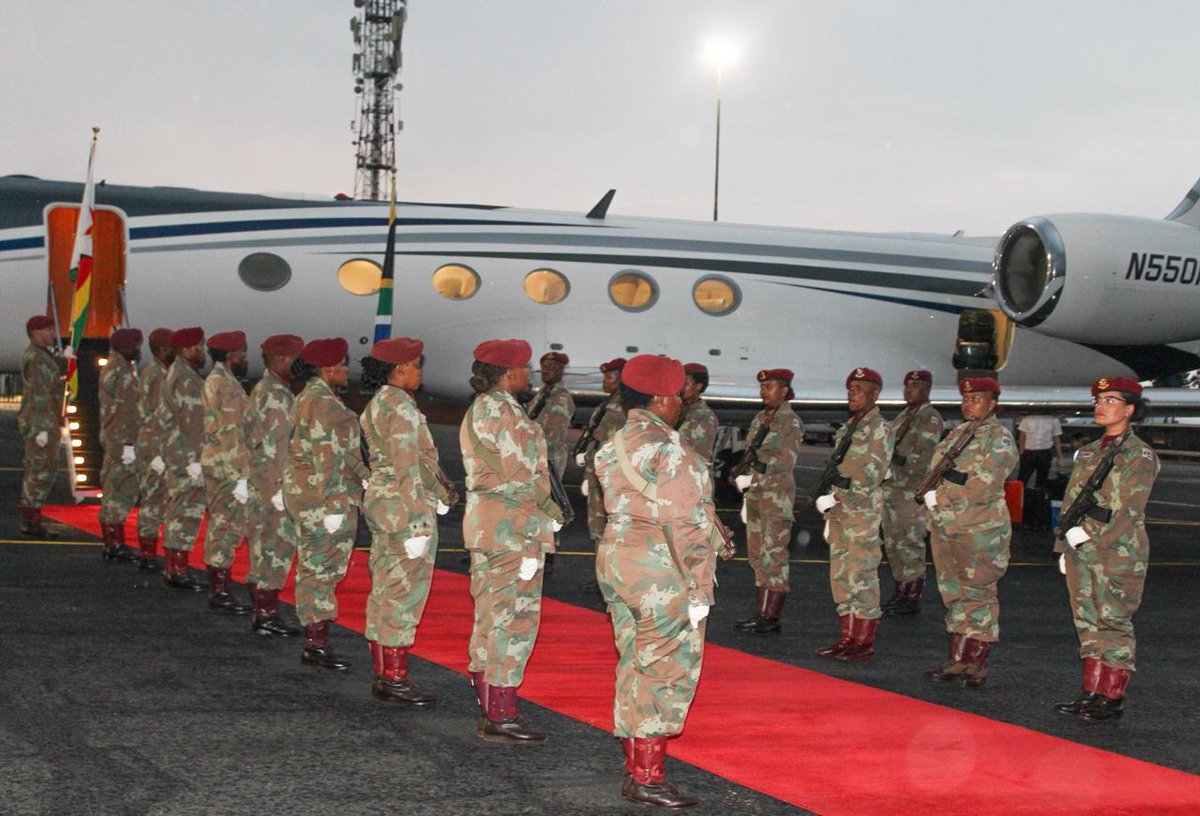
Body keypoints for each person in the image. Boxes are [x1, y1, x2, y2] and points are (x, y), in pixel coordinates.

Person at [594, 354, 715, 809]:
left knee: (634, 661)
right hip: (660, 569)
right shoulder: (672, 449)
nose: (681, 404)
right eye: (678, 396)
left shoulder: (614, 443)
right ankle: (648, 778)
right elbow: (685, 523)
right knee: (664, 669)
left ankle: (635, 769)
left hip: (617, 560)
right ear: (663, 398)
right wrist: (700, 587)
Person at [460, 338, 561, 744]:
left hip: (489, 525)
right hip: (512, 528)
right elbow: (522, 477)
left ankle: (490, 706)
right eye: (524, 368)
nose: (529, 374)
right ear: (508, 373)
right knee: (513, 620)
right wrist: (543, 523)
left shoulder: (481, 408)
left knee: (489, 615)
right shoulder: (505, 412)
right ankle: (501, 713)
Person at [1053, 377, 1158, 722]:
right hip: (1081, 548)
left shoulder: (1138, 455)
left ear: (1129, 409)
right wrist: (1065, 545)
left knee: (1112, 622)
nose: (1101, 405)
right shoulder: (1091, 451)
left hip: (1116, 551)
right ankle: (1091, 691)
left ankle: (1112, 697)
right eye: (1099, 399)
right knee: (1087, 621)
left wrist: (1089, 535)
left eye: (1111, 400)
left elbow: (1127, 509)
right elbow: (1072, 502)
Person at [361, 336, 447, 706]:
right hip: (403, 508)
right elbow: (406, 465)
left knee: (385, 587)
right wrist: (417, 523)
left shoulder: (379, 402)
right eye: (415, 365)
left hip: (385, 503)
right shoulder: (400, 407)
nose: (419, 372)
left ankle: (384, 672)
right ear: (400, 369)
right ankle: (394, 677)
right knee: (403, 592)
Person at [922, 377, 1018, 688]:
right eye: (966, 398)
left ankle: (976, 663)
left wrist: (942, 498)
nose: (969, 403)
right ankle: (956, 659)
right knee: (953, 593)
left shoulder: (999, 439)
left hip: (979, 530)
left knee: (978, 593)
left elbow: (983, 483)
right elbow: (937, 471)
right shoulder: (958, 434)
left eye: (977, 398)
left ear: (993, 404)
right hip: (946, 526)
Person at [284, 337, 369, 670]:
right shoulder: (325, 406)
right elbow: (328, 461)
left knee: (314, 570)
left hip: (310, 499)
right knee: (320, 572)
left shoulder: (310, 398)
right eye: (343, 365)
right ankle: (315, 644)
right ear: (327, 368)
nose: (347, 370)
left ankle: (314, 639)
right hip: (324, 503)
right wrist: (335, 507)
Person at [814, 367, 894, 660]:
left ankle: (864, 641)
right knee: (841, 575)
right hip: (841, 513)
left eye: (859, 389)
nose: (852, 394)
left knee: (862, 575)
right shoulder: (849, 428)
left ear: (875, 395)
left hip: (861, 512)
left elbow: (871, 475)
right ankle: (846, 637)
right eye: (850, 389)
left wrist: (836, 497)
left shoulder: (880, 429)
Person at [732, 368, 803, 634]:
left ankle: (771, 616)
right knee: (758, 556)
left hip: (775, 497)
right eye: (763, 387)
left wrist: (754, 480)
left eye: (770, 387)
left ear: (784, 391)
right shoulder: (762, 418)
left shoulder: (790, 422)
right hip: (756, 498)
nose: (764, 391)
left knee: (774, 556)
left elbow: (784, 462)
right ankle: (761, 612)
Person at [246, 334, 303, 636]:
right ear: (282, 359)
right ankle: (265, 613)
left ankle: (261, 607)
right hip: (274, 482)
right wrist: (282, 488)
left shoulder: (265, 388)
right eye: (295, 358)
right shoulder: (277, 395)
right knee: (275, 546)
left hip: (263, 480)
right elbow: (278, 445)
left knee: (263, 543)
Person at [881, 370, 944, 615]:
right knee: (894, 544)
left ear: (927, 388)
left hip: (910, 491)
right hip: (893, 491)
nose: (909, 390)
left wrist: (894, 470)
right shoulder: (905, 415)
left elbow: (924, 457)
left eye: (916, 385)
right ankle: (900, 591)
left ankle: (911, 596)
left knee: (909, 543)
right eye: (907, 385)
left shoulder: (929, 417)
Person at [200, 331, 253, 614]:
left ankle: (218, 587)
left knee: (221, 525)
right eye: (242, 352)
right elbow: (231, 431)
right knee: (225, 527)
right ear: (231, 355)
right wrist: (241, 476)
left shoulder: (218, 380)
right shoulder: (226, 385)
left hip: (219, 463)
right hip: (228, 466)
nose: (245, 358)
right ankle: (218, 590)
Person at [159, 326, 210, 591]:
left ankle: (173, 565)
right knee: (185, 511)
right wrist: (197, 458)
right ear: (188, 349)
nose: (202, 352)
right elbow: (194, 422)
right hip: (187, 454)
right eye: (199, 347)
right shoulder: (187, 378)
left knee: (177, 508)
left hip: (178, 451)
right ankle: (177, 568)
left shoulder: (176, 372)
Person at [97, 327, 143, 563]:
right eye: (135, 345)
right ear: (125, 347)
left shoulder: (114, 367)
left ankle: (112, 542)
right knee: (120, 491)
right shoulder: (121, 371)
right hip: (121, 440)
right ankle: (114, 544)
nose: (138, 349)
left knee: (114, 489)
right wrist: (128, 444)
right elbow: (126, 410)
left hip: (114, 438)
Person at [17, 315, 65, 539]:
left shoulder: (41, 355)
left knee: (42, 470)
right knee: (39, 472)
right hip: (41, 422)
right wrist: (42, 428)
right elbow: (40, 394)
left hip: (44, 420)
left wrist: (64, 362)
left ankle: (33, 518)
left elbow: (52, 383)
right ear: (36, 333)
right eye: (47, 330)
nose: (52, 333)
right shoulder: (36, 358)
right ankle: (31, 521)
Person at [528, 351, 575, 575]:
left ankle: (547, 555)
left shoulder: (561, 398)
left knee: (548, 506)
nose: (547, 371)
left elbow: (552, 434)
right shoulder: (543, 394)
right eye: (544, 367)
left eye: (552, 368)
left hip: (549, 460)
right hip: (536, 458)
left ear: (561, 371)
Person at [134, 328, 175, 572]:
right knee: (153, 500)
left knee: (156, 498)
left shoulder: (157, 372)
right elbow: (159, 416)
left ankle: (148, 551)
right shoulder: (158, 375)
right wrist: (159, 452)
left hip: (154, 443)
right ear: (162, 350)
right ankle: (147, 553)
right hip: (155, 444)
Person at [577, 357, 627, 546]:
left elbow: (607, 444)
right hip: (599, 472)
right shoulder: (610, 402)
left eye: (609, 377)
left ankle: (605, 570)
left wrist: (588, 458)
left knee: (601, 528)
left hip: (605, 473)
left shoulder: (618, 406)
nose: (605, 381)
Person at [676, 362, 719, 466]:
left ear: (698, 386)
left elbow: (695, 454)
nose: (681, 388)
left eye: (686, 384)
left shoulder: (703, 416)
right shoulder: (679, 409)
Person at [1017, 413, 1063, 488]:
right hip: (1043, 451)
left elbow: (1022, 436)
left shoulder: (1028, 418)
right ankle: (1038, 497)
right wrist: (1059, 457)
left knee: (1023, 479)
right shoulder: (1053, 419)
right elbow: (1056, 439)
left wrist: (1021, 452)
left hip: (1031, 451)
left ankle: (1021, 497)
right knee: (1041, 480)